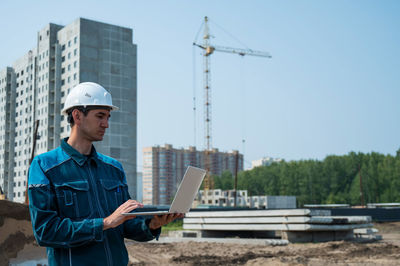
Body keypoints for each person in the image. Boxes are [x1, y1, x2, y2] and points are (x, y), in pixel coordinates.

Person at [28, 82, 182, 265]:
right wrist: (104, 223)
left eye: (108, 117)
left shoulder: (113, 168)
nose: (106, 124)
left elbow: (124, 223)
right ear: (77, 115)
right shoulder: (45, 166)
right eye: (100, 116)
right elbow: (45, 231)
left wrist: (151, 225)